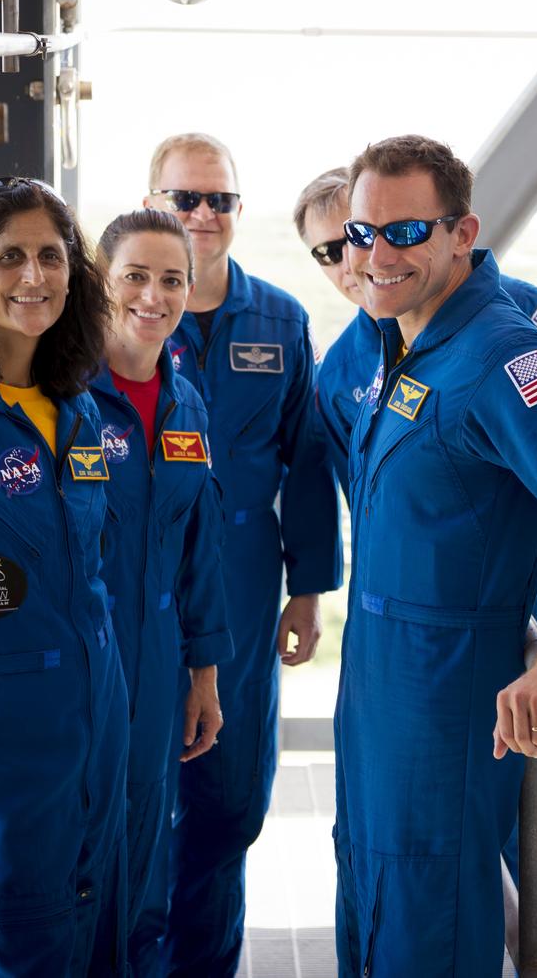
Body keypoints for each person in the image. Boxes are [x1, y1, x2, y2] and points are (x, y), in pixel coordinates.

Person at [332, 135, 537, 978]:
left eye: (406, 232)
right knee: (372, 893)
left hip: (445, 692)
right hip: (377, 684)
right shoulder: (402, 340)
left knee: (431, 924)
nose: (378, 254)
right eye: (361, 233)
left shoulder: (500, 355)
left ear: (462, 231)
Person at [294, 165, 537, 973]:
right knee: (382, 855)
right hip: (391, 640)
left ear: (452, 233)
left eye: (390, 234)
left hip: (511, 605)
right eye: (336, 250)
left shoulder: (514, 321)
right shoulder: (348, 364)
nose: (359, 260)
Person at [141, 132, 343, 974]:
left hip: (248, 587)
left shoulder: (280, 319)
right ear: (151, 205)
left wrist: (309, 587)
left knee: (230, 801)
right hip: (143, 589)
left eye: (218, 199)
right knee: (144, 798)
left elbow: (307, 461)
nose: (201, 215)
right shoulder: (125, 319)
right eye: (183, 199)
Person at [0, 176, 128, 975]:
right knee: (17, 938)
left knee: (97, 938)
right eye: (9, 256)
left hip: (96, 721)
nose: (33, 276)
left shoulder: (78, 406)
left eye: (51, 256)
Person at [90, 209, 236, 974]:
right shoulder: (63, 399)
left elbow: (198, 550)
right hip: (78, 670)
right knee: (71, 876)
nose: (155, 295)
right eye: (135, 276)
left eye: (171, 279)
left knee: (144, 877)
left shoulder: (186, 403)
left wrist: (205, 672)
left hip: (156, 665)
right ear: (102, 282)